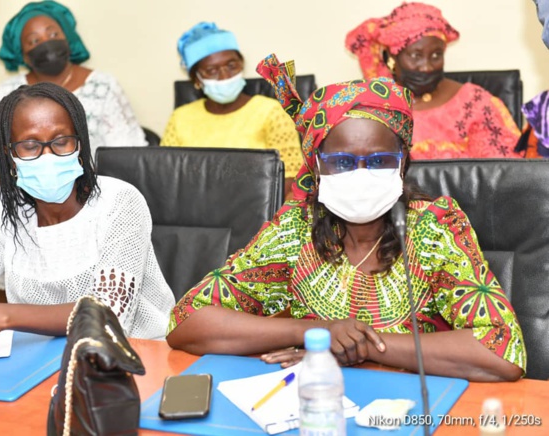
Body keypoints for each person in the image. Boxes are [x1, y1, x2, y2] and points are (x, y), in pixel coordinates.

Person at [166, 54, 527, 382]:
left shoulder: (434, 228)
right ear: (316, 168)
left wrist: (363, 345)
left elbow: (502, 351)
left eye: (379, 160)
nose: (361, 173)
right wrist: (314, 331)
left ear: (403, 164)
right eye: (341, 162)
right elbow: (187, 321)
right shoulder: (293, 230)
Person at [0, 82, 175, 369]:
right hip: (41, 363)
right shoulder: (5, 212)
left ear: (79, 145)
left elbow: (108, 313)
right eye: (30, 146)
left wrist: (0, 315)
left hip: (134, 358)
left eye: (61, 141)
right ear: (9, 155)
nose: (48, 156)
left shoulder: (119, 202)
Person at [0, 0, 146, 186]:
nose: (46, 42)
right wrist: (26, 185)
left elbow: (129, 155)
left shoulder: (103, 86)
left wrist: (79, 189)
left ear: (67, 38)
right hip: (21, 193)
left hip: (94, 191)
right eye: (34, 41)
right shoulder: (7, 92)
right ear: (23, 55)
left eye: (53, 34)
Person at [345, 2, 521, 159]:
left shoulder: (475, 103)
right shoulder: (371, 108)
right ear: (392, 57)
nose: (427, 67)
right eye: (416, 56)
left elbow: (504, 174)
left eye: (436, 55)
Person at [161, 22, 302, 194]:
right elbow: (166, 175)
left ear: (242, 65)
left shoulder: (271, 112)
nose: (225, 76)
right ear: (196, 79)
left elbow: (289, 178)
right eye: (211, 70)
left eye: (231, 66)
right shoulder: (180, 118)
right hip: (194, 211)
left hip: (257, 211)